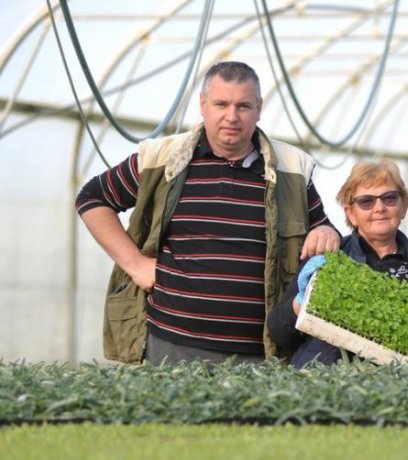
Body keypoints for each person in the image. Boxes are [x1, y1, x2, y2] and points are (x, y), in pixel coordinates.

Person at [75, 61, 340, 365]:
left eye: (243, 105)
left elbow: (324, 232)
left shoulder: (290, 168)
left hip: (259, 354)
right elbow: (92, 198)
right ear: (203, 105)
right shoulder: (163, 159)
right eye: (221, 104)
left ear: (259, 108)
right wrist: (135, 264)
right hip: (171, 345)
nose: (232, 116)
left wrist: (326, 231)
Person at [269, 159, 408, 368]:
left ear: (404, 205)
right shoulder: (328, 257)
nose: (379, 208)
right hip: (330, 382)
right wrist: (302, 303)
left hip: (405, 385)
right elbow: (279, 334)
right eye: (366, 201)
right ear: (350, 213)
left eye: (389, 198)